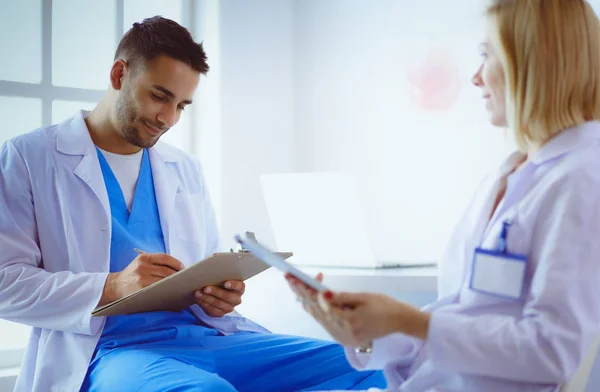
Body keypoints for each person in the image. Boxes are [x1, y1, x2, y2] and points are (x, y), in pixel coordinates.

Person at [0, 16, 386, 392]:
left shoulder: (183, 169)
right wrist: (114, 286)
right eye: (159, 96)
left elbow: (200, 268)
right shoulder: (31, 157)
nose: (168, 118)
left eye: (182, 105)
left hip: (206, 338)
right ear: (119, 75)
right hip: (109, 352)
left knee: (375, 363)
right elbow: (5, 284)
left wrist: (218, 297)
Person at [288, 0, 600, 391]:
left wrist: (410, 320)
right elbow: (457, 320)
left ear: (535, 62)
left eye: (487, 56)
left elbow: (553, 352)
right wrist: (363, 332)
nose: (475, 78)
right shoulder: (506, 174)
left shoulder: (584, 178)